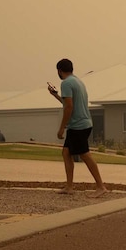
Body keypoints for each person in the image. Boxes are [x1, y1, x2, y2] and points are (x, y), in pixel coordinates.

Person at [48, 58, 108, 197]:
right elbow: (67, 102)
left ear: (59, 70)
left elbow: (69, 107)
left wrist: (62, 128)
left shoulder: (66, 83)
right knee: (66, 152)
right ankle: (69, 187)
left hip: (78, 126)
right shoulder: (78, 81)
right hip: (83, 123)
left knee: (84, 154)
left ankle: (100, 186)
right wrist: (55, 95)